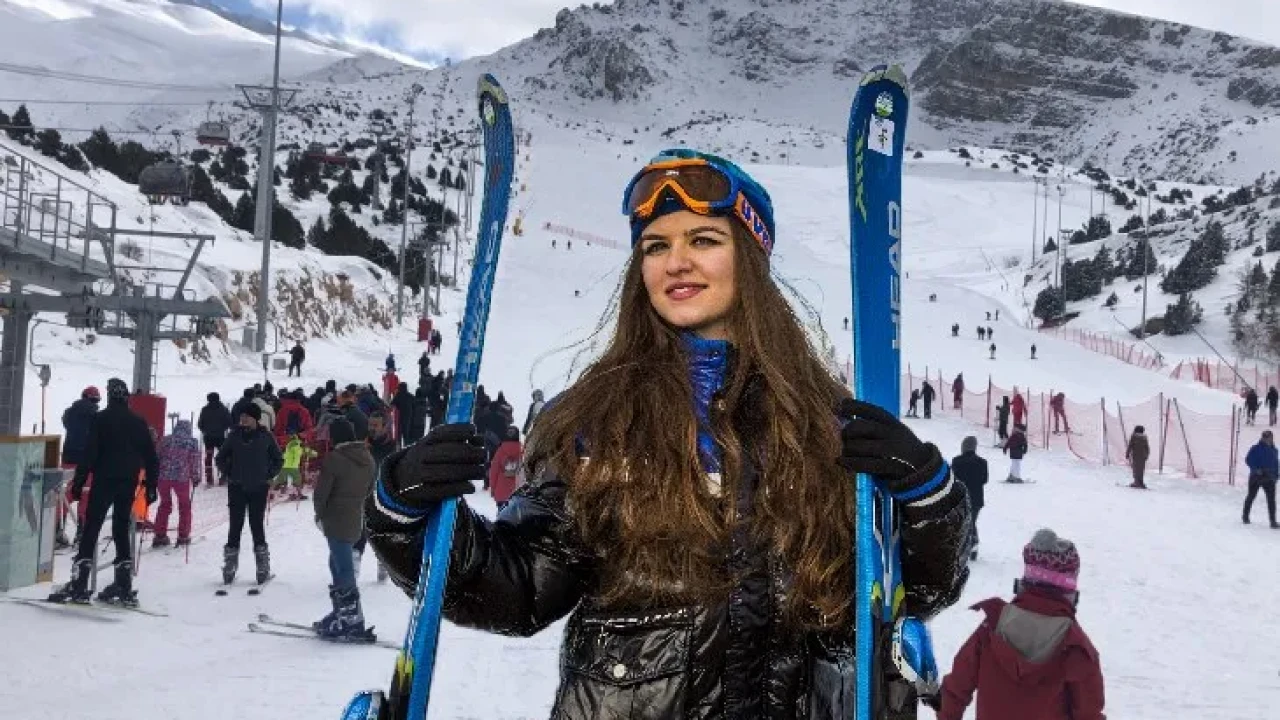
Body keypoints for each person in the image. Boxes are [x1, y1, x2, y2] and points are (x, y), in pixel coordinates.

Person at [366, 148, 971, 718]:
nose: (676, 262)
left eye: (703, 240)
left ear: (749, 258)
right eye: (656, 246)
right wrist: (407, 516)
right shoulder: (599, 421)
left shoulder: (820, 422)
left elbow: (910, 594)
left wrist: (926, 496)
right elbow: (523, 585)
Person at [937, 529, 1104, 720]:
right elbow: (1089, 713)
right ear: (1069, 590)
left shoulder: (994, 626)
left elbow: (955, 688)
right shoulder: (1076, 646)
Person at [49, 378, 158, 606]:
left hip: (104, 480)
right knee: (121, 527)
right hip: (128, 481)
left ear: (109, 396)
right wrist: (151, 486)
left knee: (92, 527)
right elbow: (151, 456)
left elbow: (90, 453)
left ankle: (80, 583)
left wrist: (78, 482)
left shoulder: (101, 419)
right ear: (126, 397)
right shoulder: (138, 421)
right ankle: (123, 584)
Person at [312, 418, 377, 640]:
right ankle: (341, 612)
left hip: (335, 519)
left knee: (343, 567)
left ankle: (352, 620)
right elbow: (370, 489)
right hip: (355, 519)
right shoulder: (367, 458)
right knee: (337, 563)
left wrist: (319, 514)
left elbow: (322, 493)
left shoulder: (335, 459)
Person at [216, 403, 283, 586]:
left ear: (255, 418)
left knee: (256, 525)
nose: (243, 419)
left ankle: (262, 567)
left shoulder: (266, 436)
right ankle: (230, 566)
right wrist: (229, 472)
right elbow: (220, 457)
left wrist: (268, 474)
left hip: (259, 487)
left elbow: (278, 459)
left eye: (247, 416)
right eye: (241, 416)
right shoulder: (234, 435)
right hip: (237, 487)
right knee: (235, 526)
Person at [59, 386, 101, 548]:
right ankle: (81, 534)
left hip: (68, 459)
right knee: (85, 496)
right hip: (86, 461)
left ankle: (58, 532)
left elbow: (67, 423)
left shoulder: (69, 413)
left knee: (64, 495)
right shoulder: (96, 416)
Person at [152, 419, 201, 547]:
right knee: (184, 506)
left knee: (164, 504)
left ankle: (160, 535)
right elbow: (194, 461)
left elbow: (157, 457)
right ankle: (183, 536)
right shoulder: (192, 442)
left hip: (163, 477)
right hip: (181, 479)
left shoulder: (165, 440)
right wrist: (195, 477)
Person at [951, 436, 987, 560]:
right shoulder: (982, 462)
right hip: (977, 498)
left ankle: (967, 544)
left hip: (961, 497)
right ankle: (973, 543)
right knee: (971, 521)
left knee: (964, 521)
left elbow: (953, 479)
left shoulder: (957, 461)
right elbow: (984, 479)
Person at [1243, 429, 1279, 528]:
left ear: (1272, 438)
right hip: (1256, 477)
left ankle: (1273, 522)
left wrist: (1276, 475)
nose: (1267, 439)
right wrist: (1255, 469)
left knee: (1271, 500)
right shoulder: (1255, 448)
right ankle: (1245, 516)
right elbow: (1248, 459)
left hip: (1270, 477)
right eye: (1265, 437)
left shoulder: (1274, 450)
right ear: (1262, 438)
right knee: (1251, 496)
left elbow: (1276, 463)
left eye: (1269, 437)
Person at [198, 392, 232, 487]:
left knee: (208, 457)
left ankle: (209, 479)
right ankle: (223, 476)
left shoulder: (205, 410)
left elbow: (200, 424)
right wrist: (223, 428)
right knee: (223, 457)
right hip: (220, 437)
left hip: (208, 438)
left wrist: (205, 430)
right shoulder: (223, 409)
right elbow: (229, 422)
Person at [488, 425, 523, 510]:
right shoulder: (523, 450)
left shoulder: (500, 451)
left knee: (502, 514)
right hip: (519, 492)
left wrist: (492, 488)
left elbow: (494, 471)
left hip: (501, 492)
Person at [278, 433, 316, 501]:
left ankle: (294, 494)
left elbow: (285, 455)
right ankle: (296, 494)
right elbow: (304, 451)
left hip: (287, 465)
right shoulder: (297, 446)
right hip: (293, 466)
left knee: (293, 480)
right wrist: (313, 453)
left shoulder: (288, 446)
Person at [1125, 425, 1150, 490]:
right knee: (1141, 469)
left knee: (1135, 469)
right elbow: (1147, 447)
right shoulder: (1144, 437)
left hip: (1136, 455)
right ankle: (1141, 482)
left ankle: (1136, 482)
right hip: (1143, 456)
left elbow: (1130, 445)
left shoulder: (1134, 436)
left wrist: (1127, 453)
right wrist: (1147, 455)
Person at [391, 382, 414, 447]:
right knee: (406, 433)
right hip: (409, 415)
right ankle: (406, 447)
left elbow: (392, 403)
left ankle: (399, 448)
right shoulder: (410, 396)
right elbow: (415, 404)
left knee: (399, 433)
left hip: (400, 415)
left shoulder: (398, 395)